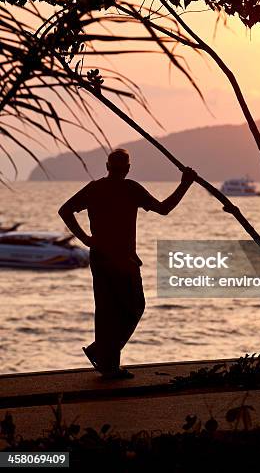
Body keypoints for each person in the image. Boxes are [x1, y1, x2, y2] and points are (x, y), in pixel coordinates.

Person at [58, 148, 196, 380]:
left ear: (107, 166)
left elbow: (65, 211)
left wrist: (86, 240)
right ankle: (103, 356)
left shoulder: (96, 188)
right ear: (128, 169)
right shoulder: (130, 188)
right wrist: (185, 184)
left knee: (107, 311)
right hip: (121, 261)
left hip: (101, 258)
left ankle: (107, 361)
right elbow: (164, 209)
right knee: (133, 308)